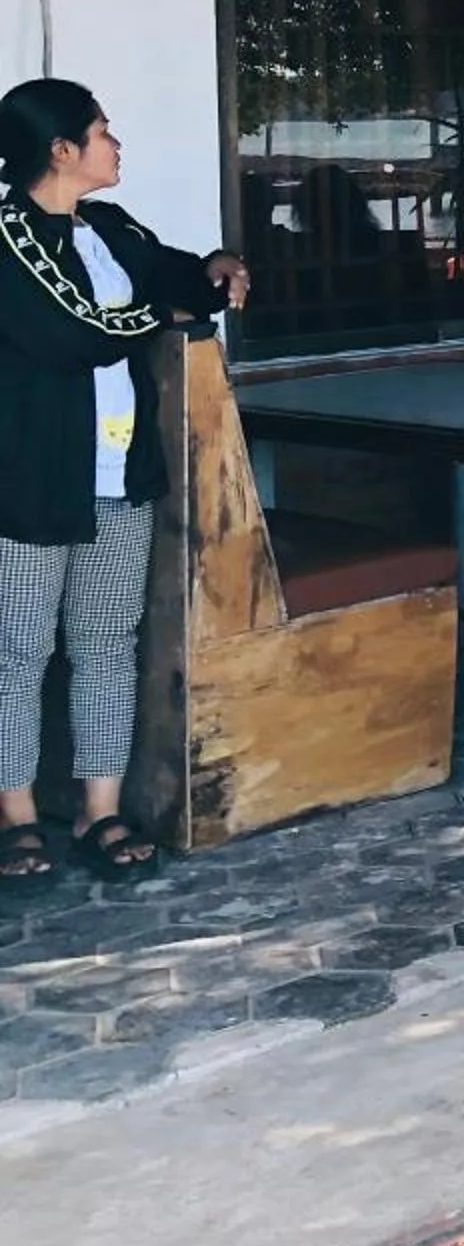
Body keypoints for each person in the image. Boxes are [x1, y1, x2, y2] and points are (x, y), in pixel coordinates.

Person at [0, 80, 247, 886]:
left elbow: (174, 276)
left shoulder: (107, 226)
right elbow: (71, 334)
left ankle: (97, 810)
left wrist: (214, 269)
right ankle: (18, 817)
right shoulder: (10, 234)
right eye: (102, 132)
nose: (117, 144)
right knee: (17, 654)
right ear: (60, 150)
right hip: (32, 479)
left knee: (107, 646)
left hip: (120, 472)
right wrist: (162, 316)